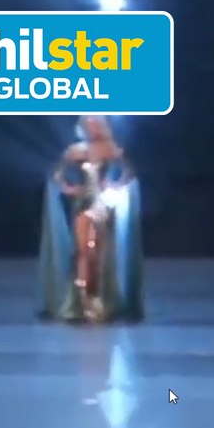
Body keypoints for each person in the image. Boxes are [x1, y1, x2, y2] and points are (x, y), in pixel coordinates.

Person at [36, 115, 144, 323]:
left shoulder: (110, 148)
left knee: (99, 252)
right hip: (83, 203)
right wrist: (70, 188)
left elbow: (128, 172)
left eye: (96, 124)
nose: (92, 127)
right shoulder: (76, 151)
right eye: (89, 124)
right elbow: (57, 174)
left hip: (102, 204)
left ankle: (100, 299)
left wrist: (113, 185)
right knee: (84, 250)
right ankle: (83, 301)